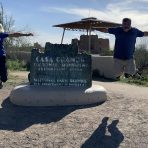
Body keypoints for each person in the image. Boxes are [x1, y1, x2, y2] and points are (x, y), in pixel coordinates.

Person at [0, 23, 33, 89]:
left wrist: (26, 34)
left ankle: (1, 80)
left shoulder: (1, 35)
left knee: (4, 78)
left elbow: (14, 34)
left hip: (1, 56)